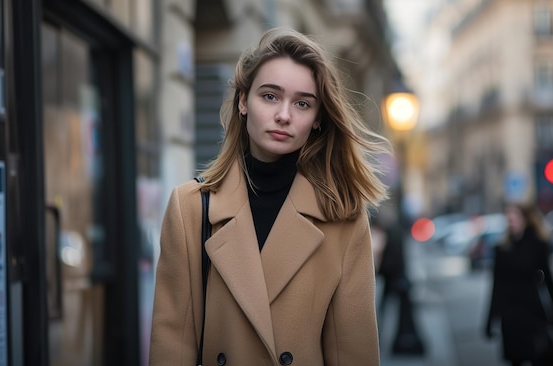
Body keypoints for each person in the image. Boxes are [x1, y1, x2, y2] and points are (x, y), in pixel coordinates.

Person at [150, 28, 390, 365]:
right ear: (243, 101)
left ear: (318, 118)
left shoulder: (343, 216)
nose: (284, 115)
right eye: (270, 96)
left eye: (302, 103)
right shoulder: (190, 207)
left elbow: (353, 351)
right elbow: (172, 342)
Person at [485, 203, 553, 366]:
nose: (511, 221)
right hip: (510, 316)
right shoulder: (502, 248)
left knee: (539, 356)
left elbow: (549, 281)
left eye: (514, 217)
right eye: (508, 218)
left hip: (533, 310)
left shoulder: (537, 245)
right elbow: (496, 287)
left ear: (525, 218)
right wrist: (489, 320)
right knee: (516, 358)